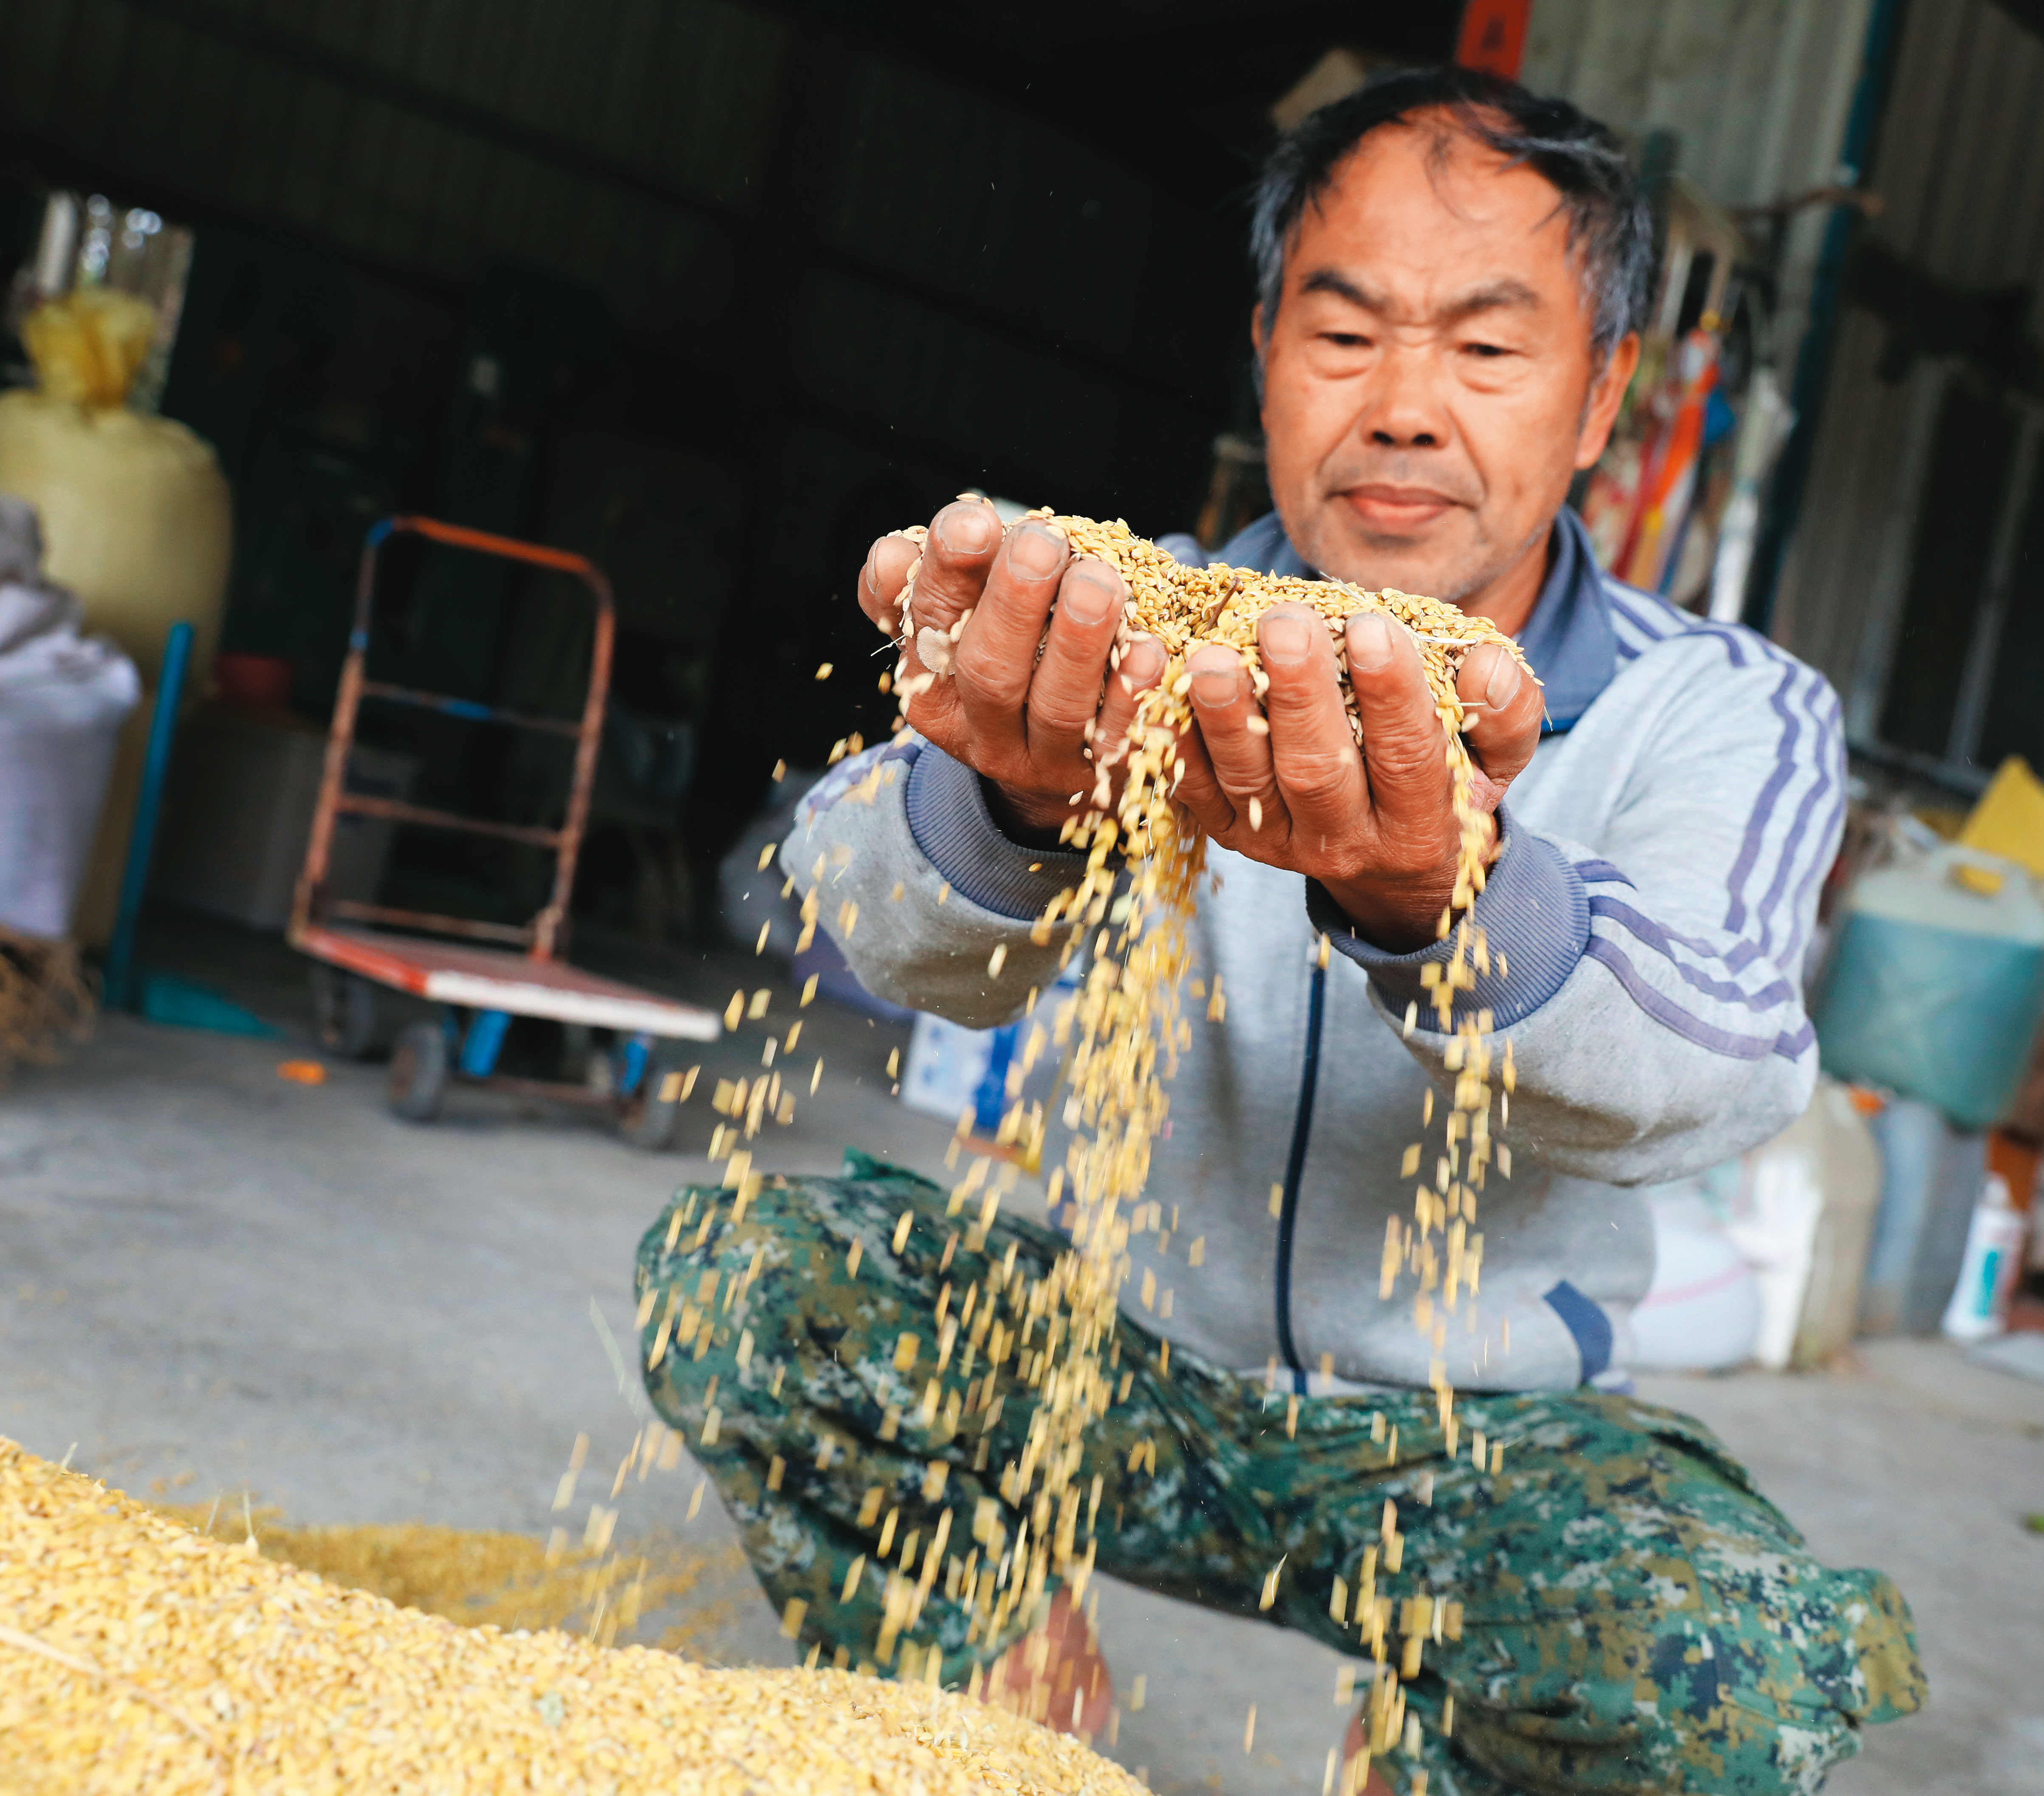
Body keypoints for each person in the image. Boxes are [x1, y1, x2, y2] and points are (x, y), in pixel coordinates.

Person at [641, 66, 1923, 1796]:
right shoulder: (1114, 611)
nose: (1404, 409)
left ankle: (1425, 1740)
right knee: (747, 1281)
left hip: (1478, 1447)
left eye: (1484, 350)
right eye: (1345, 337)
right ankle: (998, 1730)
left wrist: (1447, 903)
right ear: (1262, 347)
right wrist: (1014, 803)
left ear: (1603, 391)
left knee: (1737, 1677)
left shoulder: (1725, 709)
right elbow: (858, 905)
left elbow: (1719, 1062)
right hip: (1116, 1371)